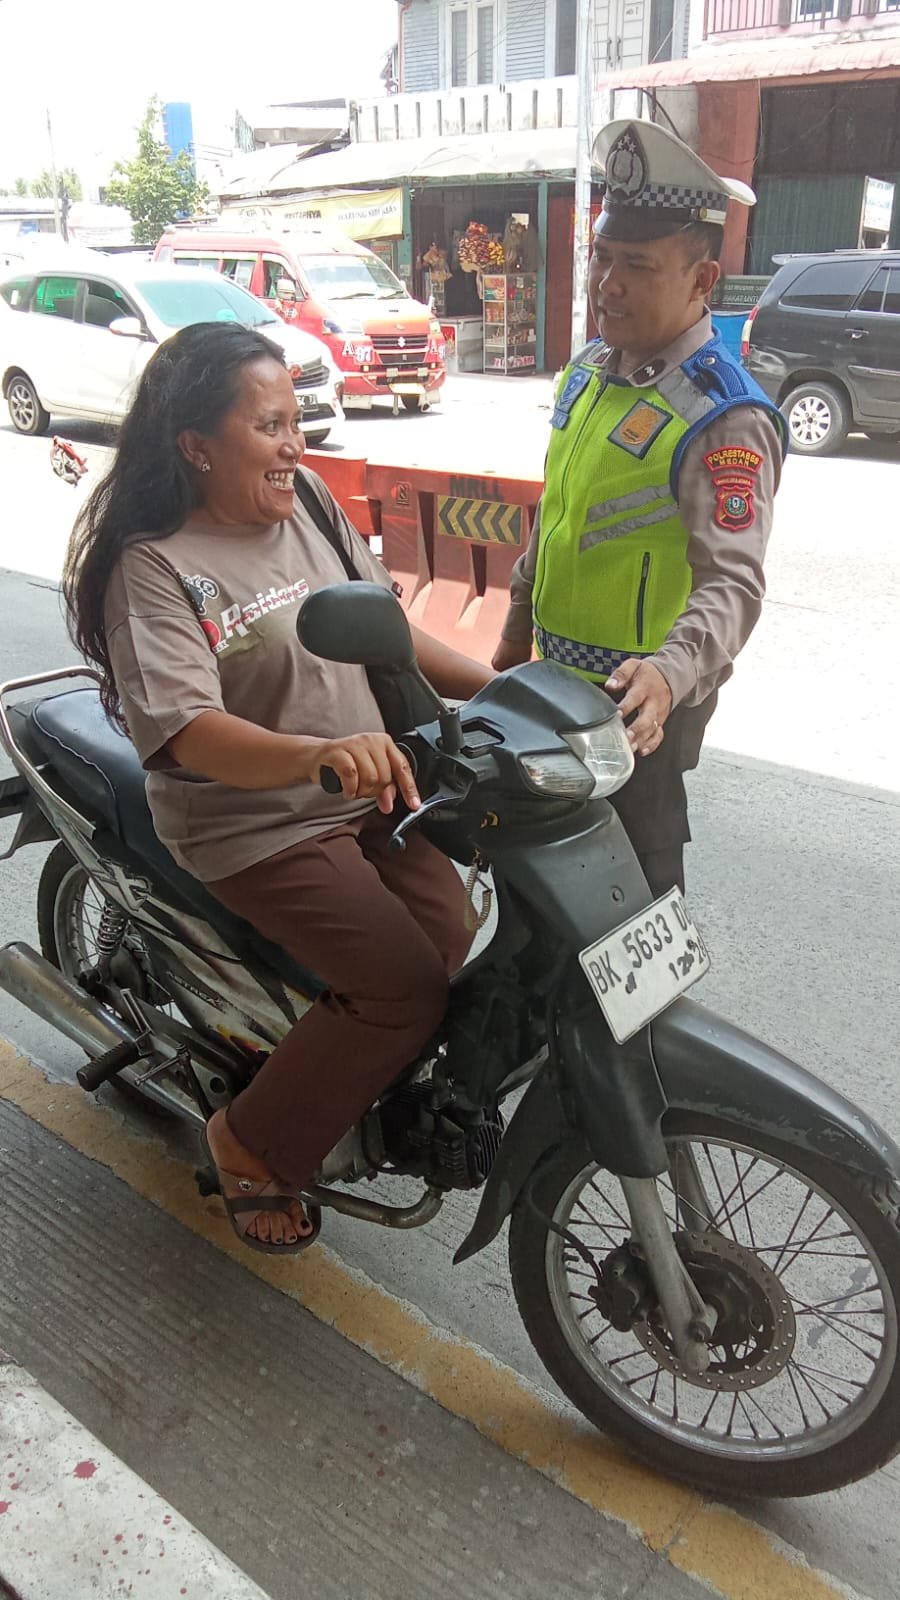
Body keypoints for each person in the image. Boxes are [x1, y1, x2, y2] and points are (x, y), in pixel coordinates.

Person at [63, 321, 493, 1256]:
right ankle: (250, 1143)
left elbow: (385, 625)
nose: (294, 443)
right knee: (402, 992)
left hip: (362, 784)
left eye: (296, 420)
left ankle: (318, 1058)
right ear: (197, 446)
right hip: (252, 821)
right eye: (269, 425)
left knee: (461, 935)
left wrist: (498, 685)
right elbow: (187, 732)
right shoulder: (155, 564)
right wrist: (313, 756)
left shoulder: (302, 499)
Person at [493, 120, 788, 897]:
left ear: (701, 281)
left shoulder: (722, 416)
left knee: (632, 930)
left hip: (640, 716)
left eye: (637, 266)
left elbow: (734, 585)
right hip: (550, 695)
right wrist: (515, 625)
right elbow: (562, 512)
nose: (606, 284)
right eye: (602, 258)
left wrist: (668, 672)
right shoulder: (590, 372)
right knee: (540, 909)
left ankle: (648, 1025)